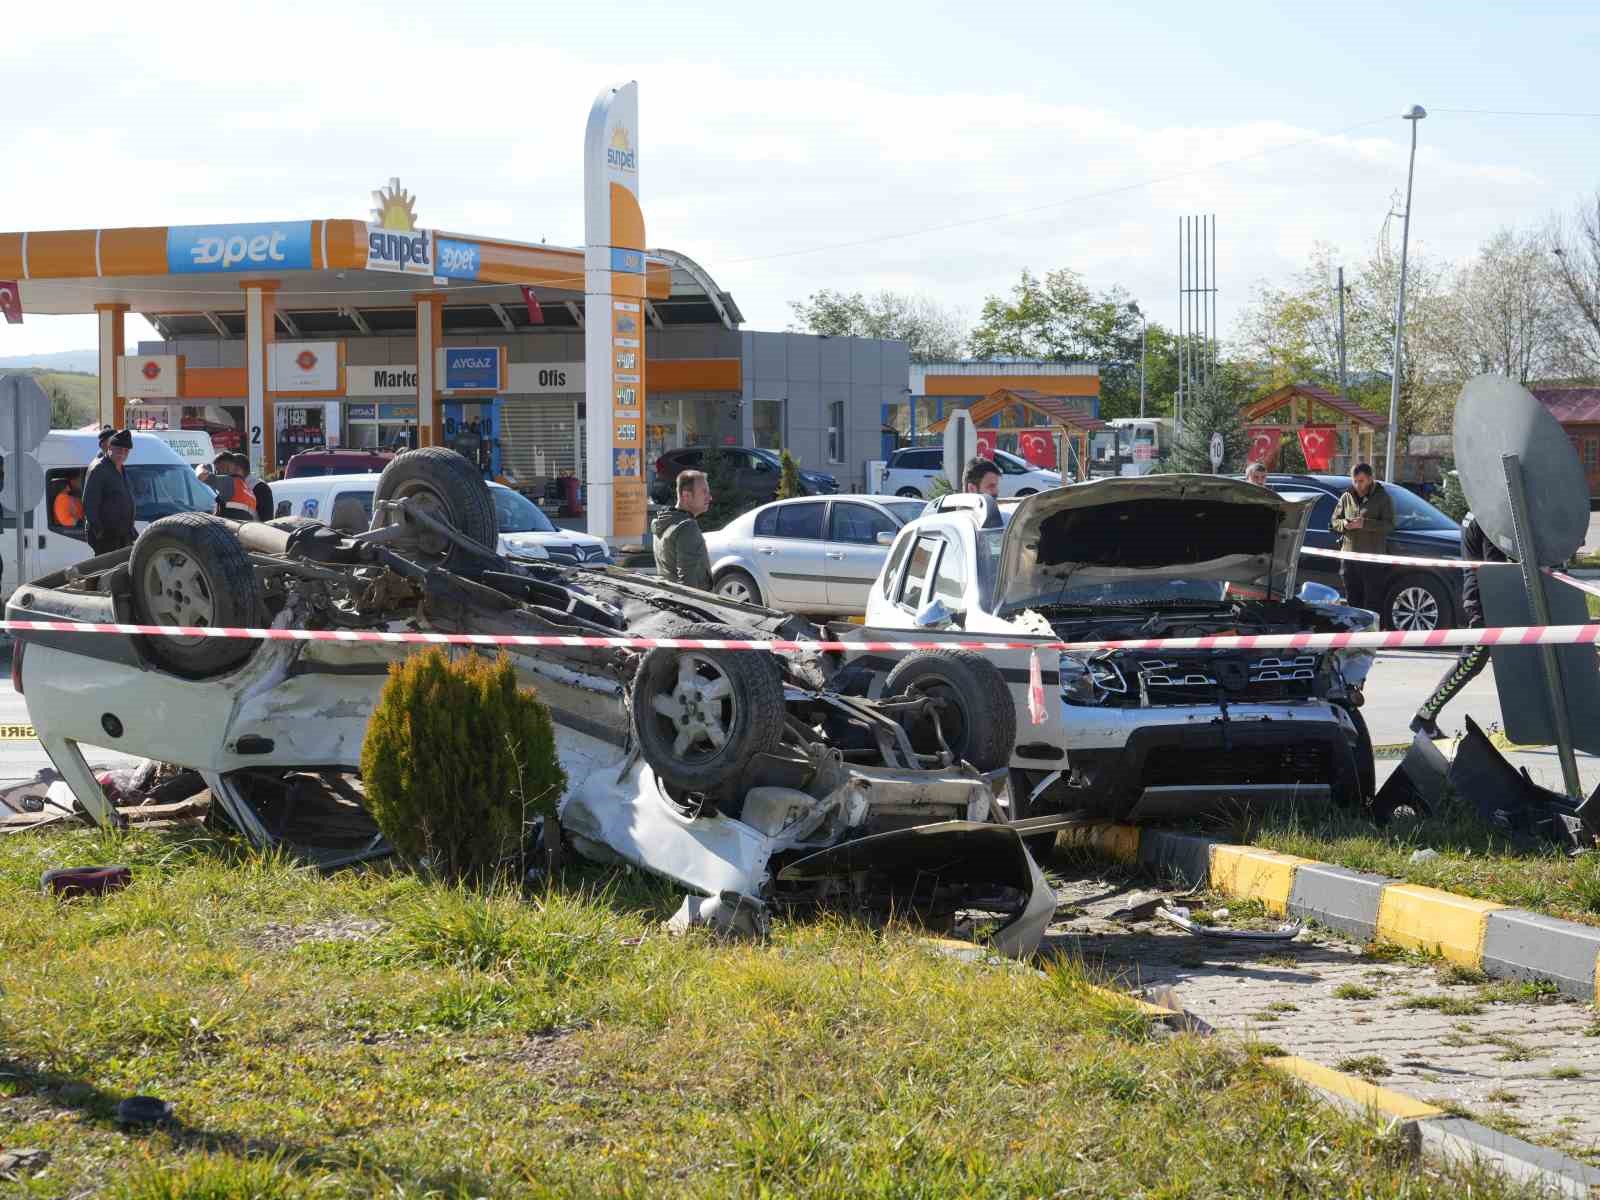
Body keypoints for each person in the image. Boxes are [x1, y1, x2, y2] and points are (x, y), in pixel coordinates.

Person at [1410, 512, 1508, 738]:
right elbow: (1494, 567)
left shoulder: (1476, 512)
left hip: (1482, 595)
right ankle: (1425, 715)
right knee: (1472, 661)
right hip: (1485, 599)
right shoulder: (1489, 518)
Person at [1330, 462, 1394, 612]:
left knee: (1372, 602)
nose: (1358, 485)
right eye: (1355, 481)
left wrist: (1365, 524)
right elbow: (1334, 521)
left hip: (1371, 559)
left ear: (1370, 479)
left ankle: (1372, 633)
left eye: (1362, 481)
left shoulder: (1382, 498)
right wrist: (1345, 524)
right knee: (1352, 600)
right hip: (1349, 558)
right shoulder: (1346, 496)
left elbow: (1389, 525)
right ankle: (1354, 633)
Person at [652, 469, 712, 591]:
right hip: (689, 605)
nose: (709, 497)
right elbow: (688, 583)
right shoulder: (687, 527)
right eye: (704, 492)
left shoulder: (662, 522)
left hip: (668, 600)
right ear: (686, 495)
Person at [82, 429, 136, 555]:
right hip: (107, 538)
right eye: (118, 450)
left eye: (126, 451)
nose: (122, 454)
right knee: (106, 572)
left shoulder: (121, 468)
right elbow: (89, 503)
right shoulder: (99, 469)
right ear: (110, 448)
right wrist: (100, 533)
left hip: (122, 536)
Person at [212, 452, 258, 521]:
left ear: (228, 467)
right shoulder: (249, 491)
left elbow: (203, 476)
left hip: (229, 529)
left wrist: (201, 467)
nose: (216, 474)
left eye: (218, 470)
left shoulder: (229, 482)